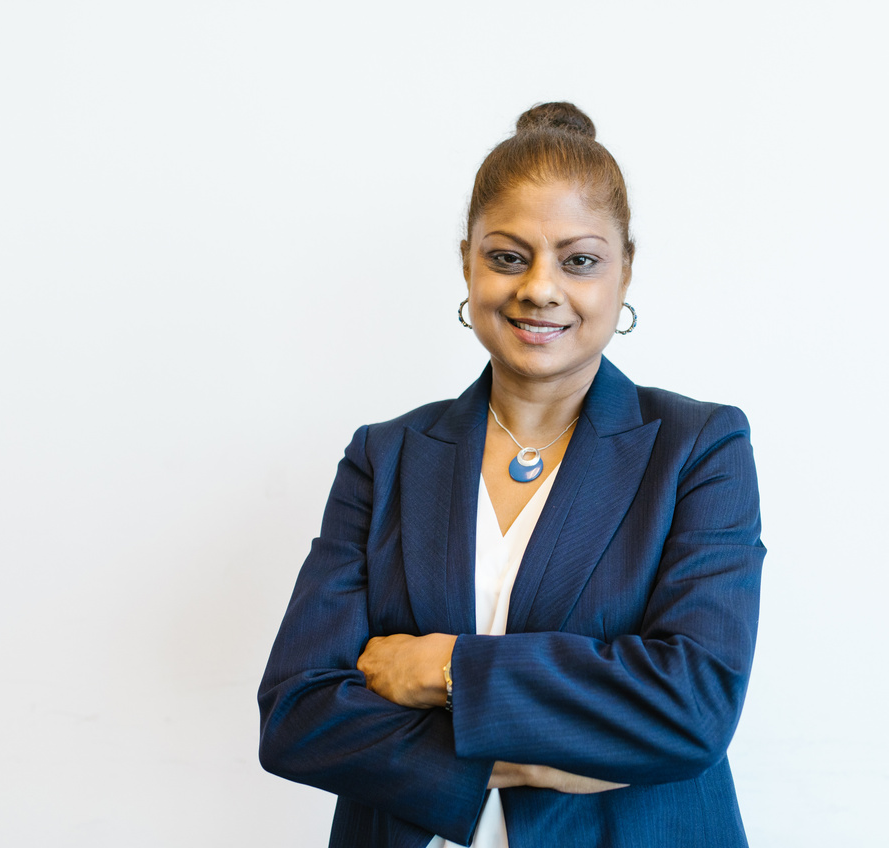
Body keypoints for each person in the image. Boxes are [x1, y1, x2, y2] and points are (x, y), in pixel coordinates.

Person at [258, 101, 765, 848]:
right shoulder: (385, 455)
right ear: (467, 261)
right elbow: (297, 714)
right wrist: (527, 757)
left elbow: (690, 707)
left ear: (624, 269)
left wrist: (446, 667)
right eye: (506, 256)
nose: (538, 287)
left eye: (578, 259)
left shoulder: (697, 448)